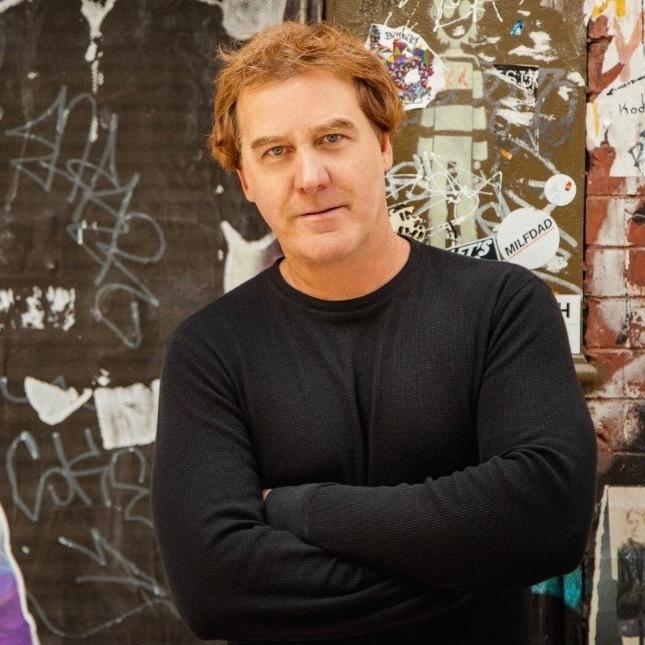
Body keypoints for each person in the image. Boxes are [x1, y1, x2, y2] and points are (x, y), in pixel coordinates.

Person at [151, 21, 597, 645]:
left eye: (332, 138)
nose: (310, 176)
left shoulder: (502, 306)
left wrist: (299, 508)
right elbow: (215, 587)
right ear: (246, 178)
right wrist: (469, 562)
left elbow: (546, 516)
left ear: (383, 144)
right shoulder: (212, 351)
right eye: (276, 151)